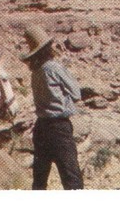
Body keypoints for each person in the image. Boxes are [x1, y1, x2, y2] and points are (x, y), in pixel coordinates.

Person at [21, 25, 83, 190]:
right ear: (48, 47)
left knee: (39, 180)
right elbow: (76, 93)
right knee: (72, 178)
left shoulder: (35, 72)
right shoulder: (54, 67)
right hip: (59, 128)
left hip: (41, 127)